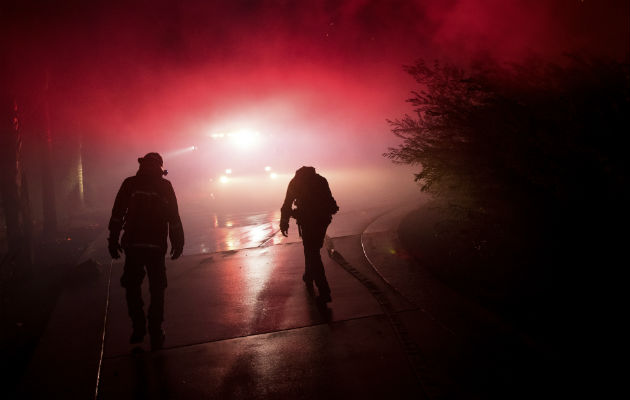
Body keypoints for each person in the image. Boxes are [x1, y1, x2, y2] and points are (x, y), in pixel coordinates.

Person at [108, 152, 184, 350]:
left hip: (133, 246)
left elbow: (117, 213)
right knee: (157, 288)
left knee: (132, 286)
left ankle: (138, 327)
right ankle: (156, 330)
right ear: (160, 167)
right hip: (156, 246)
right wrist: (178, 242)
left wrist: (113, 240)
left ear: (142, 165)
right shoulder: (164, 186)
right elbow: (173, 217)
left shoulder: (130, 183)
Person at [280, 166, 339, 303]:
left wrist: (284, 222)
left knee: (312, 252)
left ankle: (324, 291)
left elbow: (287, 204)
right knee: (312, 249)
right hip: (323, 220)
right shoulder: (321, 180)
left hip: (308, 221)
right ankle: (309, 275)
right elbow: (329, 200)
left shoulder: (295, 182)